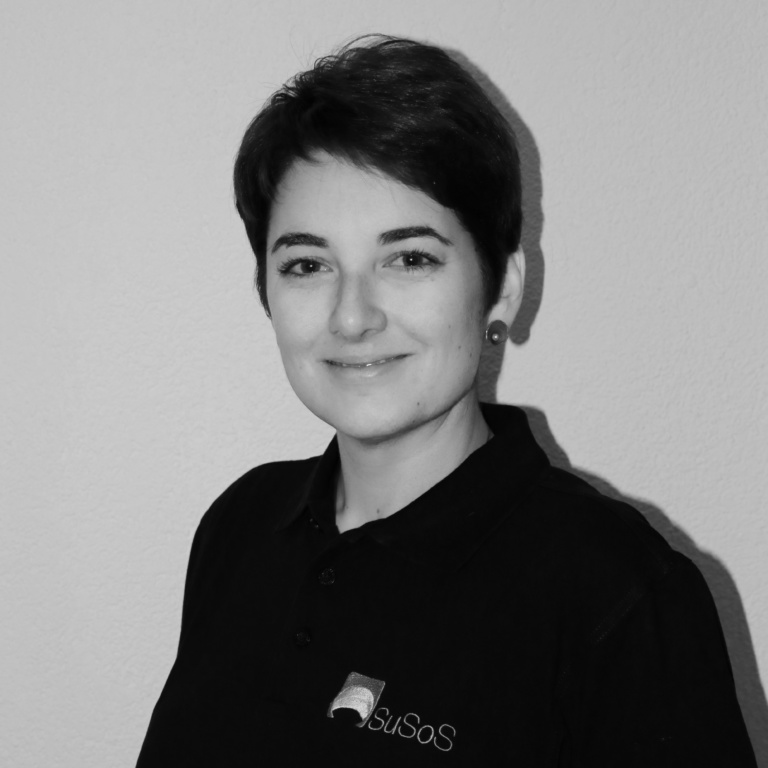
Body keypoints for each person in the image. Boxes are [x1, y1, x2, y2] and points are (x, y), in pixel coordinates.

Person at [136, 36, 756, 766]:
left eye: (409, 258)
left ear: (503, 289)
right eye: (307, 264)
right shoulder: (240, 526)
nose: (352, 316)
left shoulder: (619, 594)